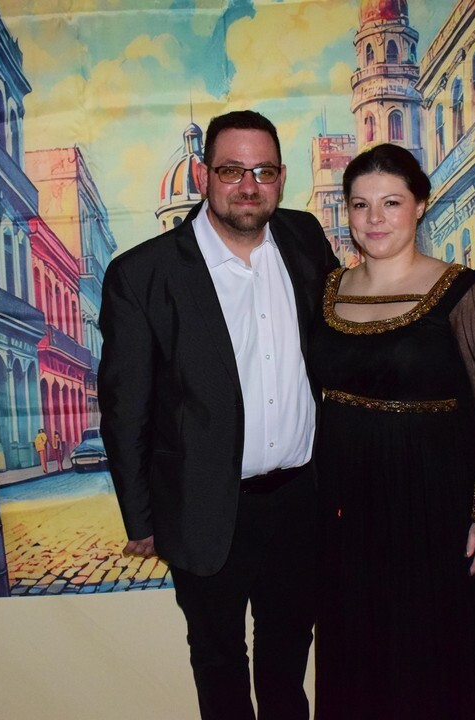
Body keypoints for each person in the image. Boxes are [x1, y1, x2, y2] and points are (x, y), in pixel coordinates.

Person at [98, 110, 338, 720]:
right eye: (232, 170)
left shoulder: (306, 239)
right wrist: (141, 518)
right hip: (202, 507)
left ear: (281, 178)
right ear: (204, 175)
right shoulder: (141, 275)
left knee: (288, 666)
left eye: (264, 171)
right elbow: (125, 409)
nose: (248, 185)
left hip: (299, 503)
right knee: (219, 666)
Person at [308, 143, 475, 719]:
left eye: (391, 202)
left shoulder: (463, 291)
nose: (375, 218)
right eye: (360, 205)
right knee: (361, 648)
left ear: (420, 206)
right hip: (347, 510)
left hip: (435, 505)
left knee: (438, 650)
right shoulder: (328, 291)